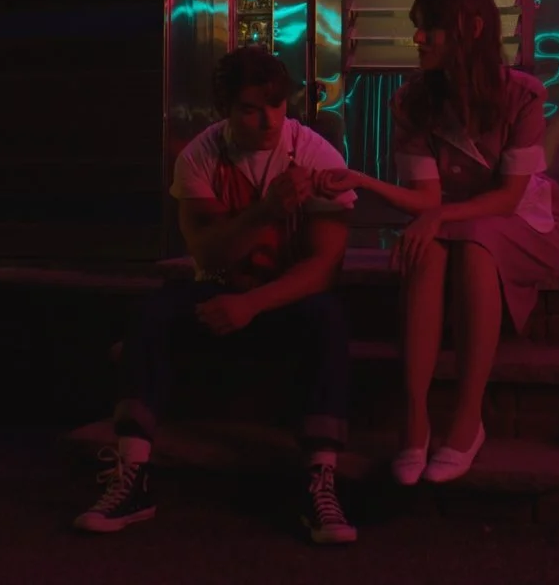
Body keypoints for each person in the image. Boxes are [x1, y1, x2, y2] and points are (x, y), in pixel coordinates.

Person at [74, 45, 359, 545]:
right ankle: (133, 475)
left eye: (276, 105)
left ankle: (320, 482)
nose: (268, 120)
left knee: (328, 317)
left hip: (281, 301)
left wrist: (252, 304)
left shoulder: (314, 154)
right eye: (251, 108)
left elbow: (322, 269)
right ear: (226, 110)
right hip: (219, 289)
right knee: (154, 313)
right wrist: (266, 212)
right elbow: (206, 251)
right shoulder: (200, 156)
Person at [316, 0, 559, 485]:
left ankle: (467, 418)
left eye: (429, 28)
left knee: (474, 241)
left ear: (471, 29)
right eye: (418, 29)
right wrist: (363, 180)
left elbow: (507, 198)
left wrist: (437, 217)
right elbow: (428, 201)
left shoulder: (522, 94)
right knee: (429, 249)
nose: (418, 40)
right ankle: (414, 420)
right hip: (456, 219)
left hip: (522, 221)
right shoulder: (413, 101)